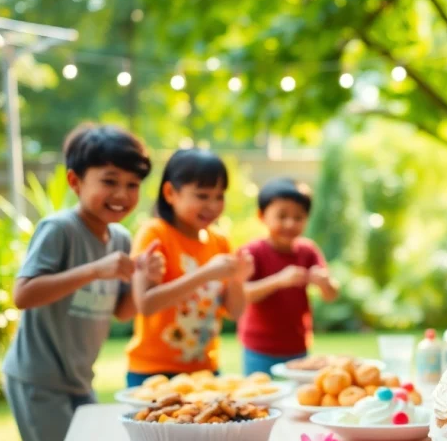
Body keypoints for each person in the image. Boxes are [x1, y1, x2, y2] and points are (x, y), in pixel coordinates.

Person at [3, 123, 159, 441]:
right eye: (109, 181)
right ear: (75, 181)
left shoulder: (119, 237)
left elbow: (122, 311)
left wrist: (144, 278)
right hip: (38, 379)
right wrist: (94, 270)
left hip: (78, 381)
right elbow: (23, 294)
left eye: (132, 184)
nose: (122, 193)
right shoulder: (59, 229)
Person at [125, 148, 254, 387]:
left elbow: (234, 312)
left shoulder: (220, 241)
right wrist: (205, 274)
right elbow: (145, 304)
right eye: (202, 196)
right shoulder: (155, 234)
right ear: (170, 193)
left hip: (205, 373)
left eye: (219, 196)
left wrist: (238, 279)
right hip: (153, 373)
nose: (213, 205)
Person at [239, 177, 338, 375]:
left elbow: (331, 295)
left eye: (298, 217)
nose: (290, 223)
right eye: (282, 216)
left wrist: (324, 282)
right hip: (259, 348)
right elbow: (241, 295)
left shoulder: (308, 251)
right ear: (262, 216)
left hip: (297, 347)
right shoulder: (252, 252)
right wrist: (278, 280)